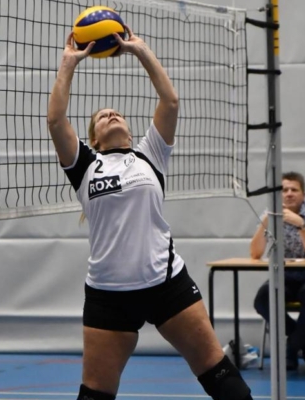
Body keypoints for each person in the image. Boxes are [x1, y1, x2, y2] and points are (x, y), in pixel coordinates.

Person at [47, 28, 254, 400]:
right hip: (109, 294)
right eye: (103, 116)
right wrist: (68, 64)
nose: (111, 114)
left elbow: (170, 102)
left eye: (117, 113)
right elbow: (56, 121)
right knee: (95, 394)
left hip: (166, 284)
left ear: (129, 132)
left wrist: (141, 51)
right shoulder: (84, 165)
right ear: (93, 139)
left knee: (221, 376)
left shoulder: (150, 155)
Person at [250, 171, 305, 370]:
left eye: (294, 190)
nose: (289, 194)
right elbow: (255, 253)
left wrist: (301, 225)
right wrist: (265, 222)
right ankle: (304, 341)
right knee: (263, 299)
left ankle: (291, 350)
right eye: (284, 190)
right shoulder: (270, 213)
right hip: (283, 276)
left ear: (303, 195)